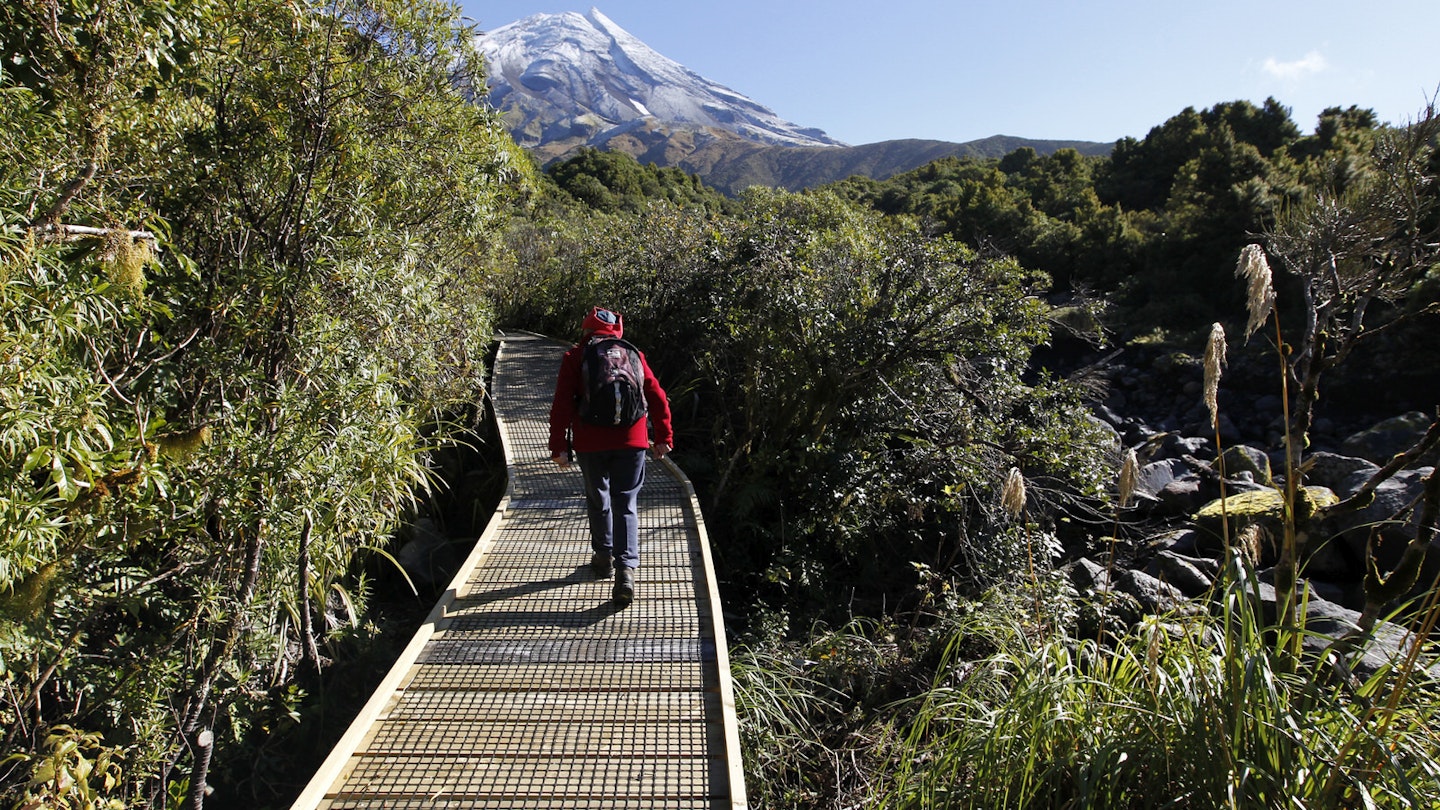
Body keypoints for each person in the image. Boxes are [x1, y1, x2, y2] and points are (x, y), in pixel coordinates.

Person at [548, 307, 673, 606]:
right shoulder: (634, 354)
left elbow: (562, 403)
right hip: (633, 439)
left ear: (587, 329)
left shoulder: (575, 357)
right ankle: (626, 572)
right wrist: (664, 437)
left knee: (597, 496)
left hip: (590, 442)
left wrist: (558, 447)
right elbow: (656, 395)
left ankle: (603, 557)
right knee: (625, 502)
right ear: (618, 329)